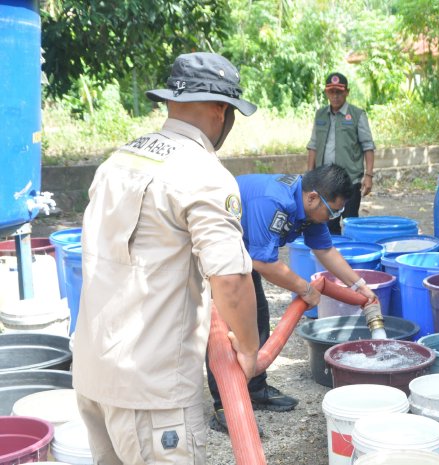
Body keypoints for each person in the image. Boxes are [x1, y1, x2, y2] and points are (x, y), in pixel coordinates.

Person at [71, 52, 260, 465]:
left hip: (93, 373)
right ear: (219, 110)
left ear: (173, 102)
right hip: (154, 394)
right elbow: (230, 278)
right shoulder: (204, 173)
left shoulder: (119, 159)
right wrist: (249, 350)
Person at [207, 164, 377, 432]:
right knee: (225, 328)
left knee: (257, 316)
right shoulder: (275, 201)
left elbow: (326, 250)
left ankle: (254, 387)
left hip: (241, 251)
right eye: (333, 211)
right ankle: (224, 404)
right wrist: (305, 289)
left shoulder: (309, 209)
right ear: (312, 198)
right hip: (213, 250)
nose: (334, 217)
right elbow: (264, 262)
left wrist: (359, 286)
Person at [306, 72, 376, 234]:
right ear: (326, 93)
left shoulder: (357, 114)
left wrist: (369, 176)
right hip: (325, 182)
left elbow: (368, 146)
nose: (335, 96)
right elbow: (313, 145)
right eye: (331, 92)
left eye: (339, 92)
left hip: (350, 181)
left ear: (347, 92)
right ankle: (332, 257)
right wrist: (309, 175)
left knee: (351, 223)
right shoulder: (320, 115)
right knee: (327, 225)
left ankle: (351, 257)